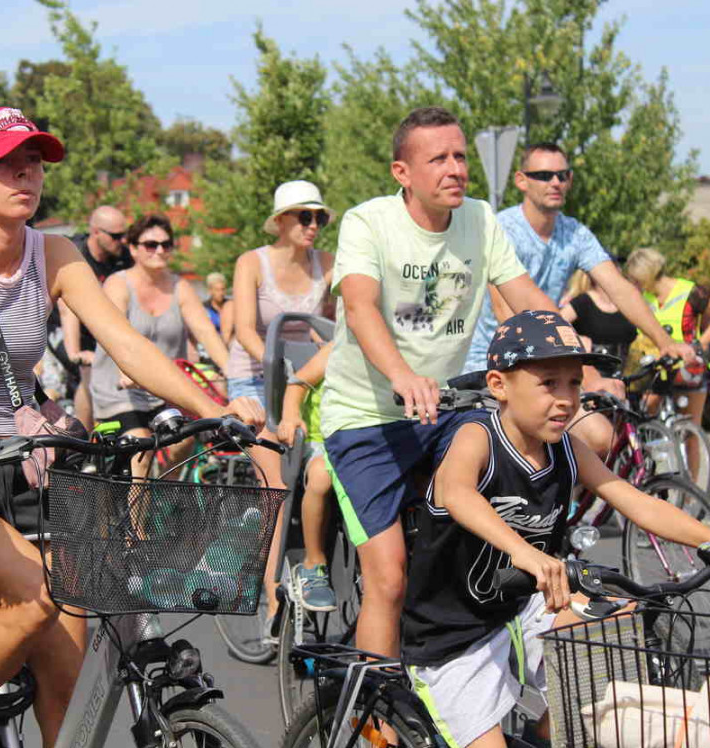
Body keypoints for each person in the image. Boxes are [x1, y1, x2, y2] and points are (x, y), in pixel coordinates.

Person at [0, 107, 261, 748]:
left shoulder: (54, 252)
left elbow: (127, 344)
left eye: (33, 160)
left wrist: (216, 407)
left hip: (23, 466)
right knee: (32, 598)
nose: (24, 172)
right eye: (5, 161)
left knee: (70, 648)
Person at [403, 310, 710, 748]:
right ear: (499, 385)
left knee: (601, 644)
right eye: (549, 383)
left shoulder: (566, 447)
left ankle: (544, 742)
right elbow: (456, 493)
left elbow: (632, 498)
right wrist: (526, 553)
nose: (567, 399)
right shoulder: (478, 436)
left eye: (574, 383)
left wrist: (706, 534)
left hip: (519, 610)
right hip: (450, 636)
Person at [320, 106, 559, 664]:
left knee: (495, 528)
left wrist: (580, 362)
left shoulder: (479, 217)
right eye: (438, 159)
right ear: (402, 173)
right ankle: (377, 731)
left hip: (444, 410)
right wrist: (402, 376)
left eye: (460, 156)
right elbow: (359, 307)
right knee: (390, 578)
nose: (455, 168)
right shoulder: (368, 222)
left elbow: (526, 297)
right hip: (366, 420)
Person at [462, 142, 693, 378]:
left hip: (546, 357)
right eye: (544, 175)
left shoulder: (575, 233)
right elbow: (505, 311)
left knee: (606, 410)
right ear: (521, 180)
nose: (555, 183)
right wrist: (581, 368)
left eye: (562, 175)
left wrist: (665, 342)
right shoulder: (502, 229)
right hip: (492, 363)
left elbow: (619, 288)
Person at [225, 178, 335, 626]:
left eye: (320, 217)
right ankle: (272, 596)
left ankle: (321, 563)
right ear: (281, 221)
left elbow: (331, 328)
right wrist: (278, 365)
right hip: (254, 379)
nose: (313, 226)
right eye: (304, 216)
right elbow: (246, 330)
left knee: (327, 463)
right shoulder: (252, 262)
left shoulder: (328, 264)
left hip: (305, 380)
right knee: (277, 480)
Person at [89, 213, 231, 478]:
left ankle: (161, 495)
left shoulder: (181, 287)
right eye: (151, 245)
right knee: (140, 449)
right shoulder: (118, 284)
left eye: (166, 244)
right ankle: (138, 520)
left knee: (187, 440)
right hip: (120, 390)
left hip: (164, 389)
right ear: (133, 248)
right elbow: (113, 331)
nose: (160, 250)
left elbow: (205, 331)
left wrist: (233, 370)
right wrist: (128, 369)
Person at [624, 247, 710, 469]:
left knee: (692, 432)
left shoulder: (691, 292)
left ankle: (691, 497)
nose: (635, 284)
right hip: (658, 367)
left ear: (645, 274)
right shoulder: (644, 298)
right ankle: (647, 471)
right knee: (644, 416)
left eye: (636, 278)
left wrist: (699, 345)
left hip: (690, 367)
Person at [58, 205, 133, 429]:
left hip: (95, 325)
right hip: (60, 326)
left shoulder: (124, 258)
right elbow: (67, 307)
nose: (122, 241)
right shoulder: (75, 255)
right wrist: (75, 351)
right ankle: (85, 445)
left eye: (125, 236)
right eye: (116, 236)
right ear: (96, 232)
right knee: (88, 371)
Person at [276, 341, 336, 611]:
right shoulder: (341, 344)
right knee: (322, 476)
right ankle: (313, 561)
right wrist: (289, 416)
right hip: (322, 439)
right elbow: (298, 382)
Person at [560, 267, 636, 364]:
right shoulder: (583, 302)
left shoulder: (626, 303)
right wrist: (574, 339)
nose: (619, 270)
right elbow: (552, 327)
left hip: (623, 373)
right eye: (612, 266)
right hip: (591, 372)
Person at [203, 272, 230, 341]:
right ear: (210, 291)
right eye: (217, 290)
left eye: (223, 289)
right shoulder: (204, 309)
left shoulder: (231, 306)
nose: (221, 293)